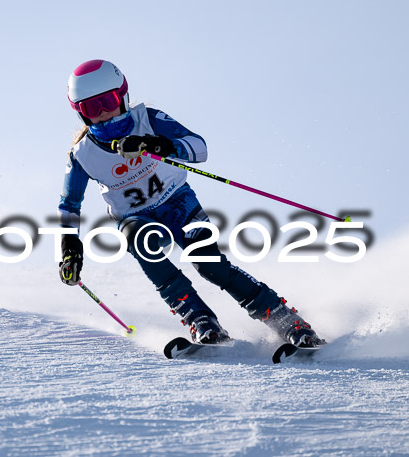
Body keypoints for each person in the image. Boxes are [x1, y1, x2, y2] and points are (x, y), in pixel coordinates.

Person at [57, 59, 323, 346]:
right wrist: (70, 247)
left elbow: (199, 148)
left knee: (211, 266)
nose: (102, 114)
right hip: (135, 218)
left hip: (178, 204)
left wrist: (156, 144)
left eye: (107, 101)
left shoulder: (149, 119)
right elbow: (69, 205)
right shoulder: (82, 154)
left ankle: (289, 323)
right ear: (81, 114)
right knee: (141, 241)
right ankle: (201, 321)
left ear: (122, 97)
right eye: (90, 108)